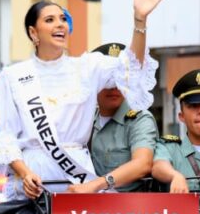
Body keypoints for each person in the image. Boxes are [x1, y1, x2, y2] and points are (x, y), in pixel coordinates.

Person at [0, 0, 167, 200]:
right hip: (34, 179)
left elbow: (131, 67)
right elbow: (6, 136)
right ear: (33, 32)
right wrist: (25, 174)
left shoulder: (87, 67)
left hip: (78, 178)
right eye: (50, 20)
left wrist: (139, 21)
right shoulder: (13, 76)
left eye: (62, 19)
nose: (60, 24)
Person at [66, 43, 159, 194]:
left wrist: (98, 184)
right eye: (107, 80)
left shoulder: (139, 119)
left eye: (119, 79)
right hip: (90, 209)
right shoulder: (85, 120)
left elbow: (143, 164)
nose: (114, 87)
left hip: (131, 211)